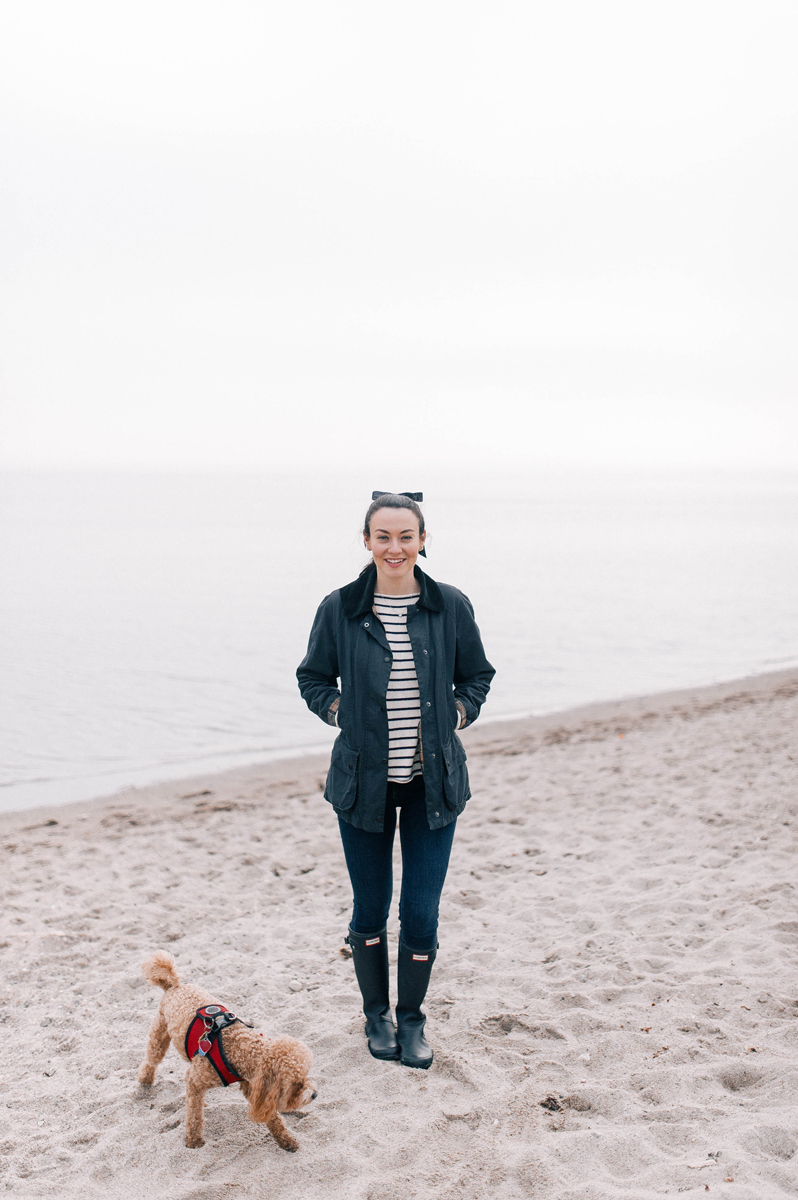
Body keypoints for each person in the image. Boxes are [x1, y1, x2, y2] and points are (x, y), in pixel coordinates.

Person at [296, 491, 495, 1069]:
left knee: (421, 911)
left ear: (423, 540)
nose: (395, 547)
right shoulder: (340, 608)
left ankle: (411, 1019)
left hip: (434, 783)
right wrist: (338, 712)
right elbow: (312, 677)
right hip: (363, 783)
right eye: (383, 536)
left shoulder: (449, 605)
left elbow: (477, 676)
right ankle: (375, 1015)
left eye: (406, 536)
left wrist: (458, 713)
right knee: (370, 904)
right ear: (366, 541)